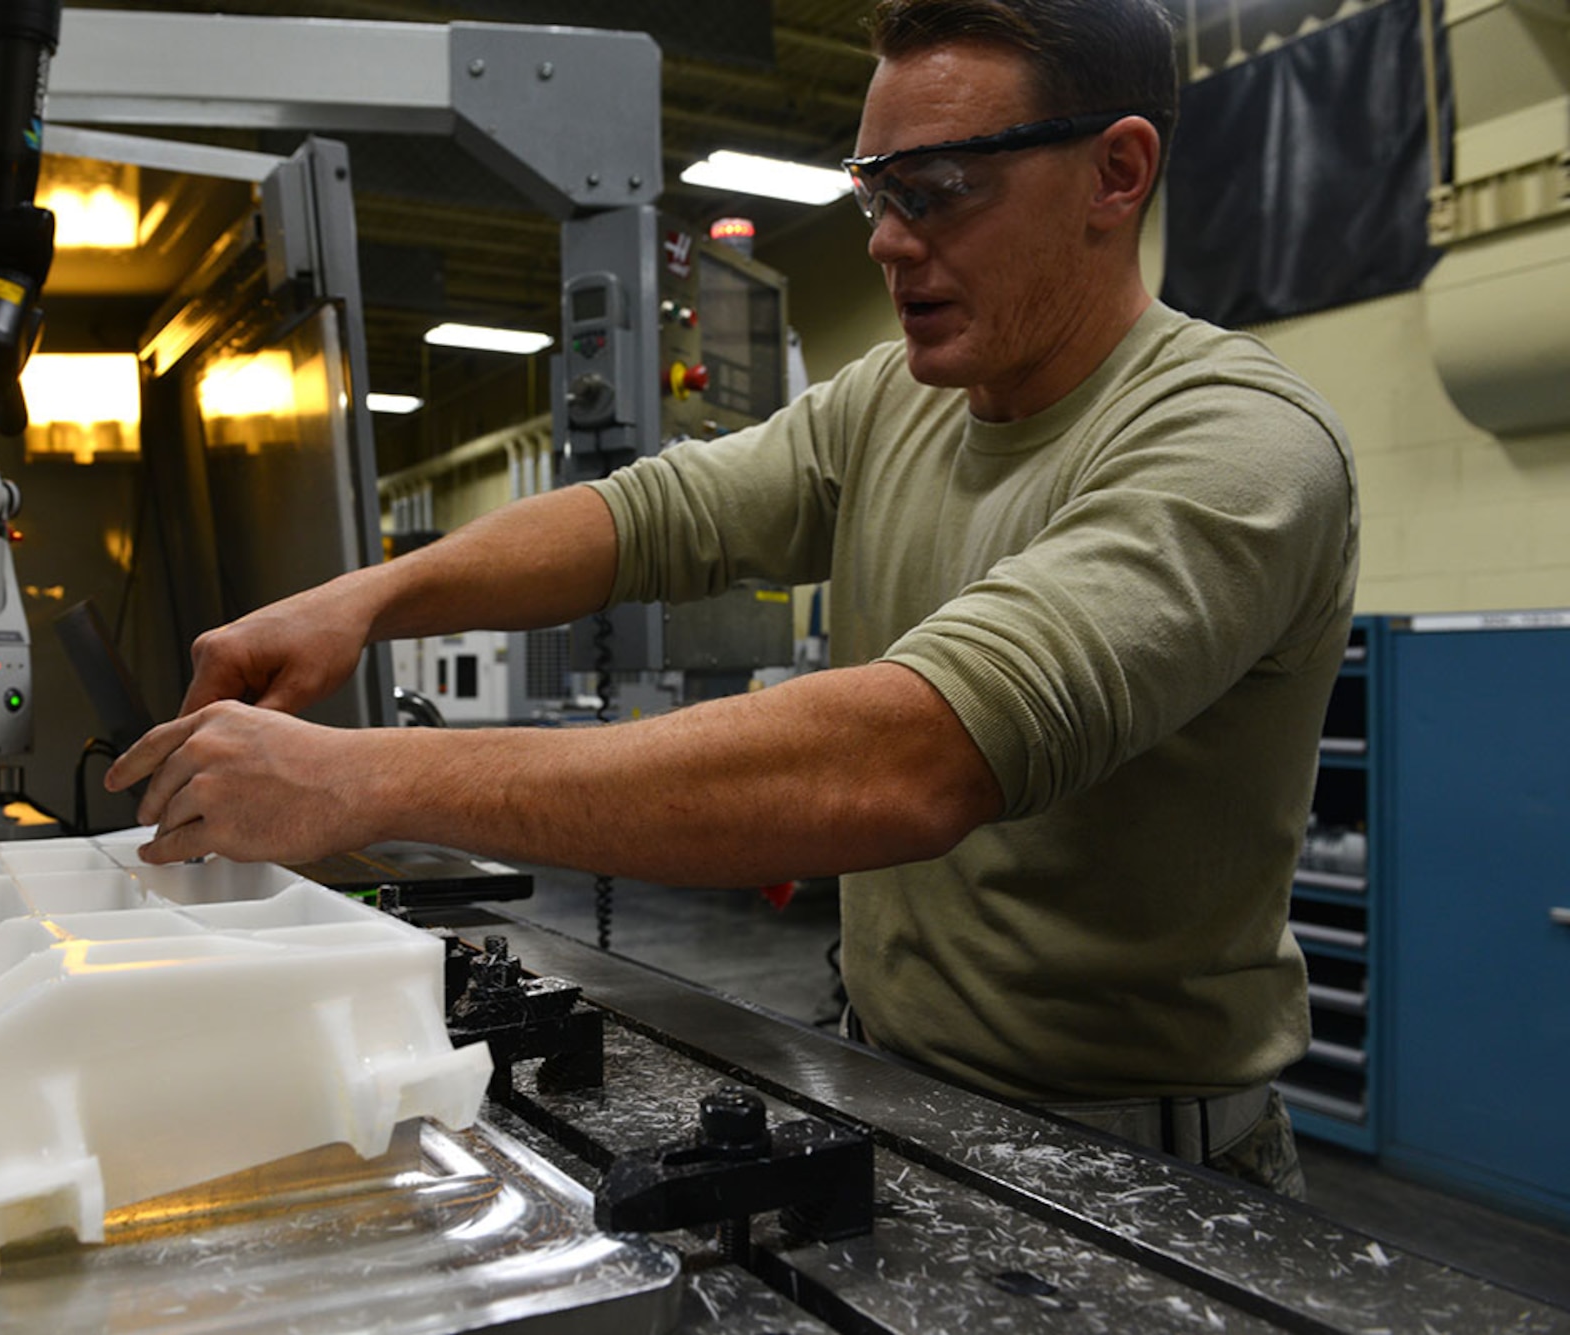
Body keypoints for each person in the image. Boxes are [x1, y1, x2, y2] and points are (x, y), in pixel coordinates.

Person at [108, 0, 1357, 1197]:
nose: (882, 238)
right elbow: (650, 518)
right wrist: (365, 598)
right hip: (895, 1086)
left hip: (1139, 1166)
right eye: (875, 190)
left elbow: (912, 762)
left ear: (1115, 173)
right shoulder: (895, 401)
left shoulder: (1233, 447)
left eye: (935, 191)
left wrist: (359, 780)